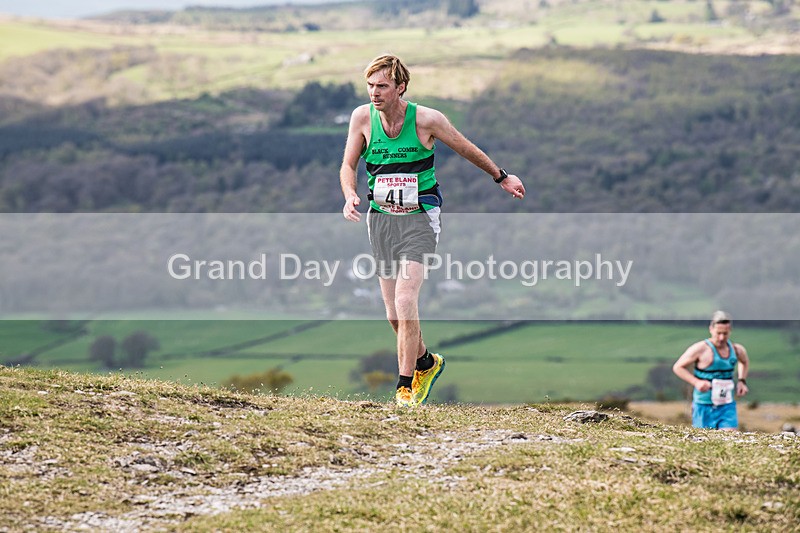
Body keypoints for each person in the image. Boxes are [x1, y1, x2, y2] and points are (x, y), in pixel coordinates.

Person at [339, 54, 525, 407]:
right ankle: (426, 361)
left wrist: (501, 176)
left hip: (421, 217)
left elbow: (465, 148)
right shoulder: (361, 118)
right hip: (381, 219)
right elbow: (348, 164)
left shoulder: (427, 119)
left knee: (406, 300)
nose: (374, 93)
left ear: (400, 88)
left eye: (382, 86)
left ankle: (405, 387)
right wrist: (349, 194)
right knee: (394, 315)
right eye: (370, 86)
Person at [672, 310, 750, 430]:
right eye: (718, 333)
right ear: (711, 329)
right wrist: (696, 382)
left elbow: (744, 362)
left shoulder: (737, 350)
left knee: (729, 439)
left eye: (725, 333)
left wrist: (742, 380)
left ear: (730, 331)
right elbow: (678, 367)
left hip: (726, 405)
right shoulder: (700, 349)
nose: (721, 337)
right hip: (703, 404)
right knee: (705, 442)